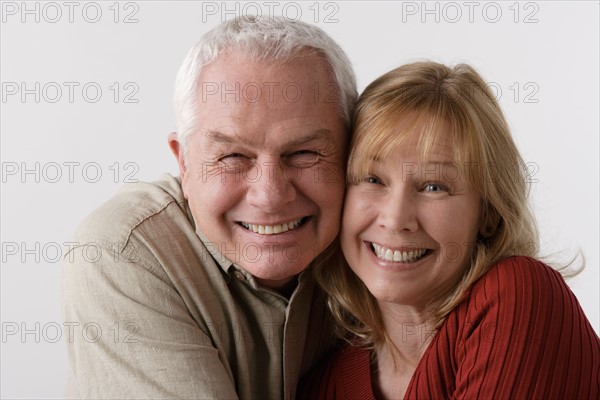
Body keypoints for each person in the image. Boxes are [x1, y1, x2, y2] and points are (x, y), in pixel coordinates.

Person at [62, 16, 357, 399]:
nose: (269, 195)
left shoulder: (382, 239)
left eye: (303, 153)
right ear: (183, 162)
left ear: (352, 152)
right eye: (233, 156)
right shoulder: (122, 250)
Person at [299, 61, 600, 399]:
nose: (396, 219)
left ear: (487, 212)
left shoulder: (519, 296)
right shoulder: (322, 384)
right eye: (373, 180)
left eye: (433, 187)